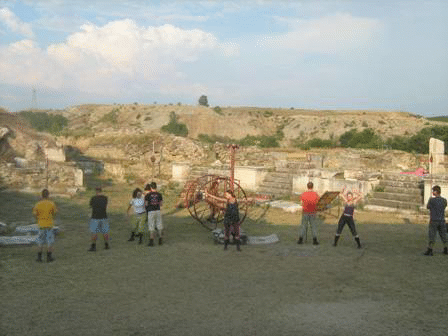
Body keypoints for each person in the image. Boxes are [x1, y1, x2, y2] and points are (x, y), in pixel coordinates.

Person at [32, 189, 57, 262]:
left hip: (41, 224)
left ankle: (39, 257)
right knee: (49, 241)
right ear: (48, 195)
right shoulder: (51, 204)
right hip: (49, 224)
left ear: (41, 195)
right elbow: (54, 213)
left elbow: (34, 214)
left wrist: (38, 219)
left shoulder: (38, 204)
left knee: (40, 241)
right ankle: (49, 257)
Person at [424, 185, 448, 256]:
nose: (432, 192)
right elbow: (444, 206)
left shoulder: (432, 200)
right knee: (443, 235)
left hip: (434, 220)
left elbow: (428, 207)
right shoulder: (444, 200)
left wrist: (429, 200)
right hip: (442, 220)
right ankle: (446, 248)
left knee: (432, 235)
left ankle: (430, 249)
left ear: (436, 192)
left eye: (433, 191)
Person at [88, 186, 110, 252]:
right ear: (101, 191)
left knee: (94, 232)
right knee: (105, 231)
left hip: (95, 217)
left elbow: (90, 206)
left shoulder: (93, 198)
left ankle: (93, 246)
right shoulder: (105, 198)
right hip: (104, 216)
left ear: (96, 191)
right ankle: (106, 244)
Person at [145, 182, 163, 246]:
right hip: (157, 210)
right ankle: (160, 238)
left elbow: (146, 204)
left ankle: (151, 240)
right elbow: (161, 204)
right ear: (156, 187)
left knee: (151, 225)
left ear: (151, 187)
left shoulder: (148, 195)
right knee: (159, 224)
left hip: (151, 211)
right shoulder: (159, 194)